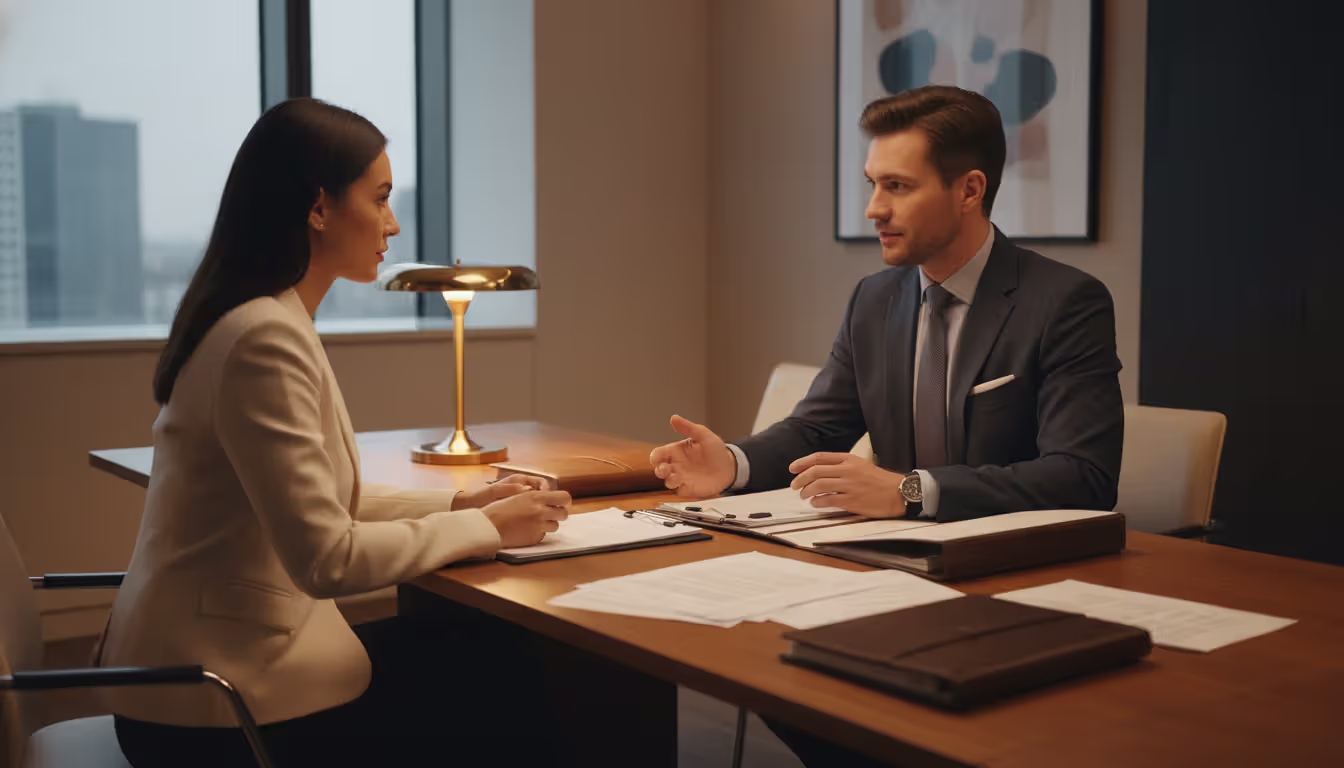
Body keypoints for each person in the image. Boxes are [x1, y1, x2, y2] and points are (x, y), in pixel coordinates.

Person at [650, 85, 1124, 765]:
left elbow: (1083, 476)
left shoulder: (1065, 302)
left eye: (897, 186)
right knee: (763, 665)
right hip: (888, 576)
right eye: (873, 184)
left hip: (1010, 591)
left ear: (969, 189)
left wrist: (910, 490)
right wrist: (731, 463)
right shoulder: (875, 298)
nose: (874, 208)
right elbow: (819, 425)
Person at [98, 98, 570, 767]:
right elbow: (329, 557)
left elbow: (320, 503)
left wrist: (460, 504)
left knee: (486, 656)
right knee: (504, 675)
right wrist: (490, 530)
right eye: (379, 199)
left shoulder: (262, 317)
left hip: (198, 670)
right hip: (214, 707)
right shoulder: (264, 336)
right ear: (318, 207)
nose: (393, 222)